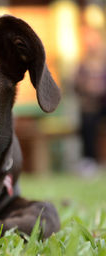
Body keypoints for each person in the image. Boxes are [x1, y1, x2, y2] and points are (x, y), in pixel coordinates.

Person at [74, 26, 106, 177]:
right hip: (91, 107)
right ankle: (89, 161)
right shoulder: (83, 64)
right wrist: (86, 86)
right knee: (87, 118)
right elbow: (76, 85)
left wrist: (100, 88)